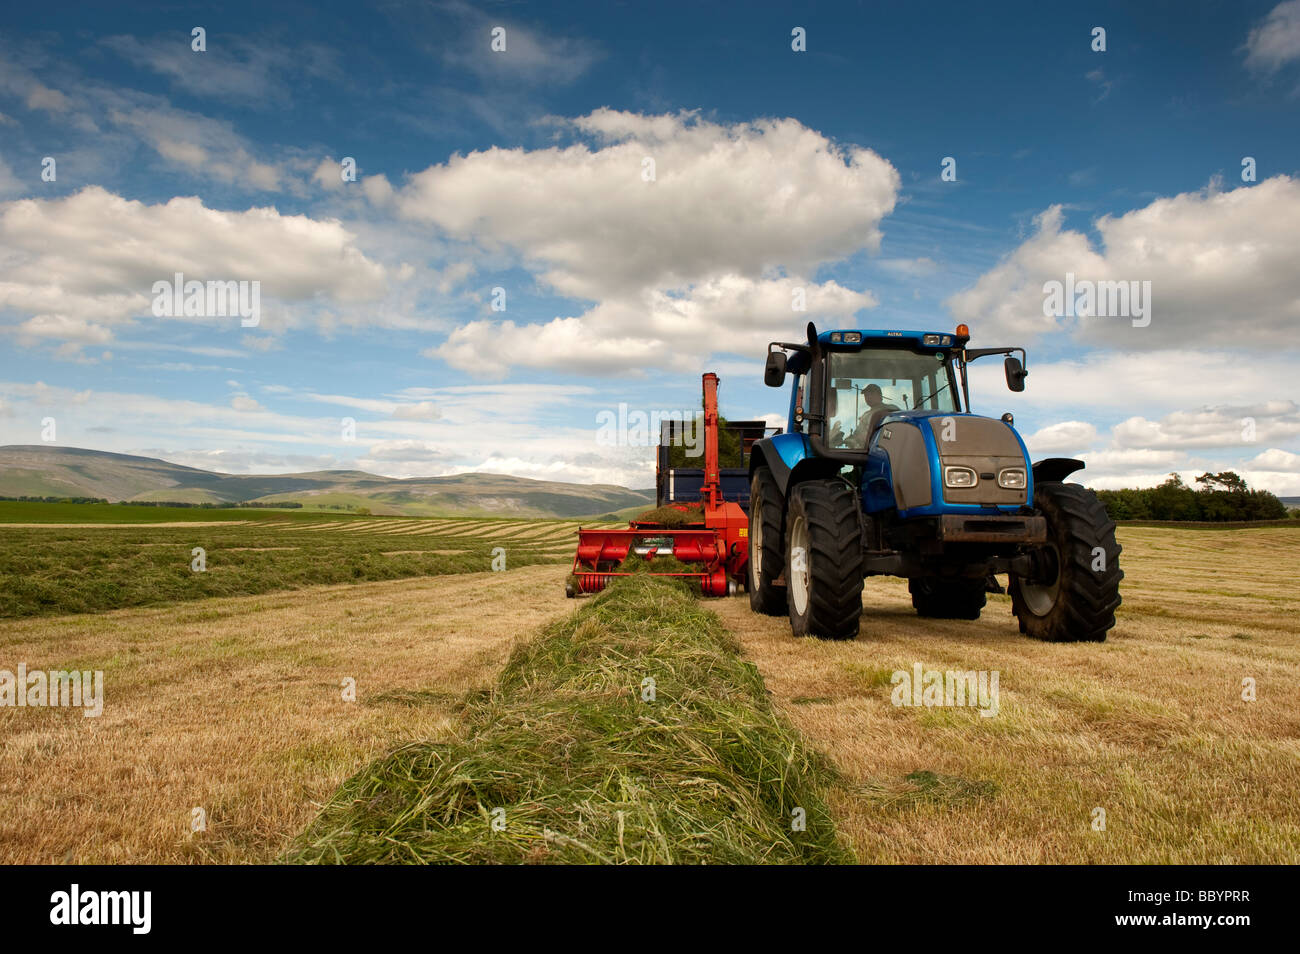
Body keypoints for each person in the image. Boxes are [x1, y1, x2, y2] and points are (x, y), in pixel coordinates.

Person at [831, 384, 899, 448]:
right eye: (866, 395)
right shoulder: (866, 415)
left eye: (871, 394)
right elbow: (857, 434)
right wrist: (850, 439)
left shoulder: (892, 409)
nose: (868, 397)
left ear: (880, 395)